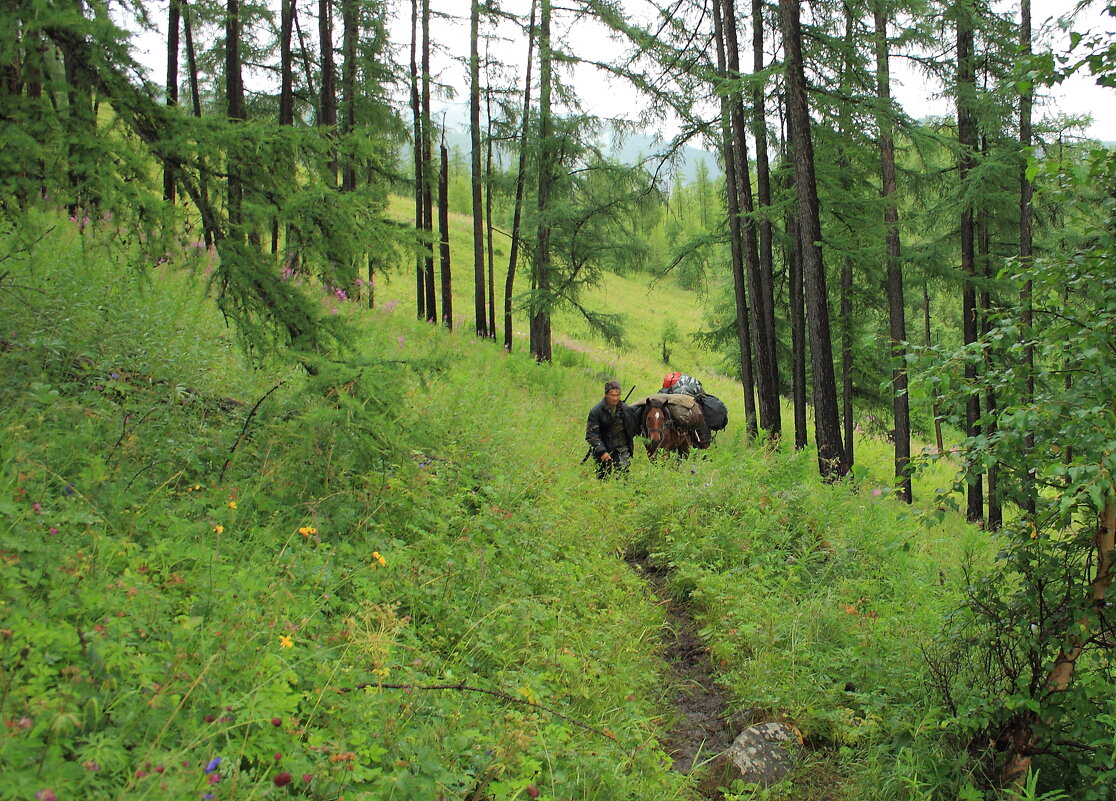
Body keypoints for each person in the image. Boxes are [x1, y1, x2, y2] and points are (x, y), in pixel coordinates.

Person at [585, 380, 636, 479]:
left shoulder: (626, 409)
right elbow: (592, 435)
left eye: (618, 395)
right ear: (606, 395)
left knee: (623, 478)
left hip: (622, 449)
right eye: (612, 395)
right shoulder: (596, 412)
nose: (615, 398)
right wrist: (602, 451)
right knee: (603, 478)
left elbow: (631, 429)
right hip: (604, 449)